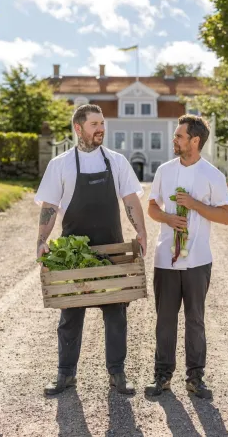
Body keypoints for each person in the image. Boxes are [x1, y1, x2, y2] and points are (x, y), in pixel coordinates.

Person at [35, 104, 147, 396]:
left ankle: (117, 374)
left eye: (102, 123)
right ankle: (65, 375)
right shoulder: (60, 164)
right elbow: (49, 207)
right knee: (70, 316)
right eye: (94, 123)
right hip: (74, 254)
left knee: (116, 313)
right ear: (78, 128)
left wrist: (142, 232)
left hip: (111, 249)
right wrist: (41, 240)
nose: (101, 129)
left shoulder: (117, 161)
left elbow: (131, 199)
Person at [145, 114, 228, 399]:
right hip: (165, 260)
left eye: (180, 136)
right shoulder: (164, 171)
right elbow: (152, 208)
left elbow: (225, 216)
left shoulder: (213, 175)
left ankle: (196, 378)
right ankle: (162, 377)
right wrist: (169, 219)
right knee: (165, 320)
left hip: (197, 261)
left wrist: (194, 204)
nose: (175, 139)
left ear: (195, 141)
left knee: (195, 319)